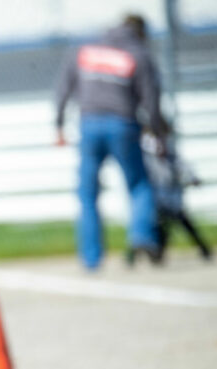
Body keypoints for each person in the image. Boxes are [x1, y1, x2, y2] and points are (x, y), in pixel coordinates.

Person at [55, 13, 168, 269]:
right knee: (139, 184)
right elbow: (151, 99)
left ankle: (91, 257)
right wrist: (158, 134)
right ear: (140, 33)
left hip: (89, 123)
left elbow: (63, 88)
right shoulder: (138, 54)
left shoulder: (86, 50)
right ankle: (141, 235)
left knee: (87, 194)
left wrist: (59, 124)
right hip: (123, 124)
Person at [135, 128, 212, 263]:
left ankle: (204, 249)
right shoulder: (147, 161)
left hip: (173, 199)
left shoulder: (173, 158)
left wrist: (193, 179)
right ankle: (152, 254)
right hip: (158, 201)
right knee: (158, 228)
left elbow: (185, 168)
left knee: (185, 223)